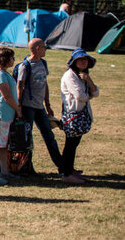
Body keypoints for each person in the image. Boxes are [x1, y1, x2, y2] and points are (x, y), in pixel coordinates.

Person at [17, 38, 63, 175]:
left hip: (40, 107)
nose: (45, 49)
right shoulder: (24, 66)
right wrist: (19, 107)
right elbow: (20, 86)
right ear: (37, 49)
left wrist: (47, 104)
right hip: (27, 106)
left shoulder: (43, 63)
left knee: (49, 136)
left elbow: (45, 84)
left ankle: (62, 167)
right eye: (44, 47)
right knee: (26, 138)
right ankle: (26, 167)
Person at [60, 48, 99, 185]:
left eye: (85, 60)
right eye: (80, 60)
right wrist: (90, 96)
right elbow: (80, 96)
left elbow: (97, 92)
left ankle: (69, 170)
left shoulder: (83, 75)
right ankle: (66, 173)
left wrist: (89, 80)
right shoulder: (70, 76)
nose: (83, 62)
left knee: (74, 144)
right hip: (73, 115)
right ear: (74, 62)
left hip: (81, 114)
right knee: (70, 144)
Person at [0, 47, 22, 185]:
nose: (14, 60)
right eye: (12, 58)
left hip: (7, 114)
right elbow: (6, 95)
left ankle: (5, 172)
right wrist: (18, 109)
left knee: (3, 145)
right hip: (0, 115)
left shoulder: (4, 73)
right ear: (5, 59)